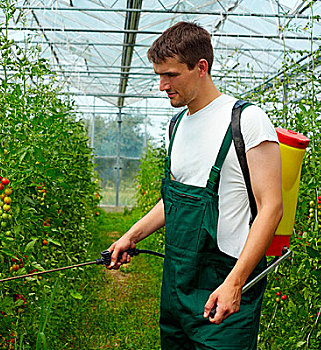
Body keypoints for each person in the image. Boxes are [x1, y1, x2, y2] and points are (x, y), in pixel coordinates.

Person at [107, 22, 283, 349]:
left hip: (225, 284)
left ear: (201, 67)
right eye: (159, 75)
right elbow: (175, 200)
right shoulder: (177, 126)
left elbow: (271, 208)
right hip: (177, 284)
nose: (162, 85)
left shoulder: (246, 121)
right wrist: (130, 236)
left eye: (170, 75)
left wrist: (235, 283)